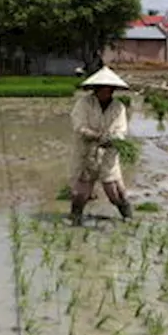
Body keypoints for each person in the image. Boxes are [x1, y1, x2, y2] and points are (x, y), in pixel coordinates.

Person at [68, 66, 133, 226]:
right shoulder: (84, 104)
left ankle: (128, 216)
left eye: (109, 90)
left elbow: (121, 129)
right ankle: (75, 218)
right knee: (82, 191)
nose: (106, 92)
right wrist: (96, 136)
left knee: (114, 190)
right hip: (87, 153)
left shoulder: (118, 107)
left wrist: (112, 139)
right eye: (103, 89)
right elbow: (79, 126)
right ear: (96, 90)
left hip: (109, 152)